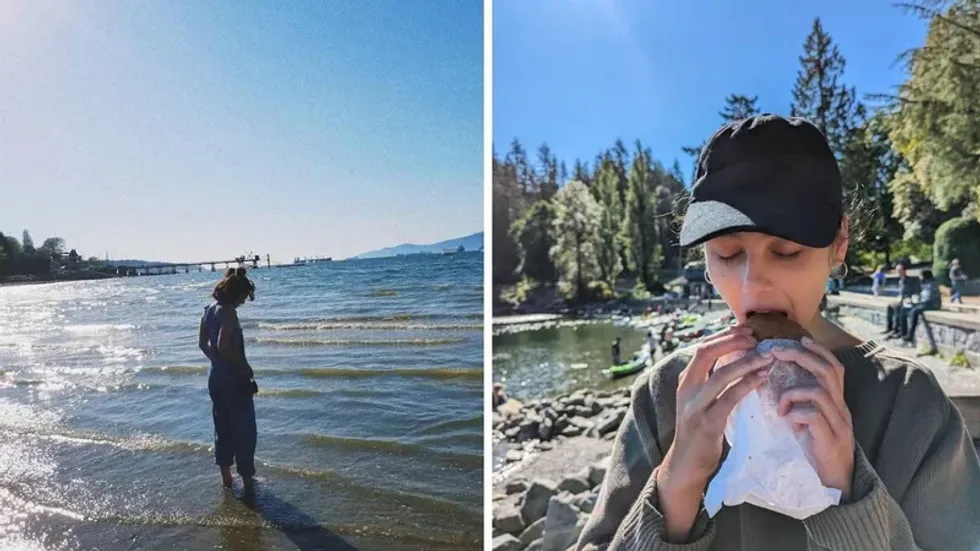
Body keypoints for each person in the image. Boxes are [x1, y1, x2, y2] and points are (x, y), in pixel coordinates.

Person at [576, 115, 980, 551]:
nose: (752, 285)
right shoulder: (667, 393)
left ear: (839, 242)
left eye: (787, 251)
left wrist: (849, 492)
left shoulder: (908, 402)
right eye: (727, 254)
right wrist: (677, 484)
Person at [199, 268, 258, 493]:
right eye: (243, 296)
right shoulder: (229, 313)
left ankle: (226, 477)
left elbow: (203, 344)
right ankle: (248, 480)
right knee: (244, 428)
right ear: (236, 293)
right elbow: (224, 345)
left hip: (215, 376)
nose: (244, 301)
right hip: (233, 378)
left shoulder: (208, 311)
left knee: (222, 426)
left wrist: (217, 361)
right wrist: (243, 366)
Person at [893, 269, 941, 350]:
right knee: (903, 310)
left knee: (914, 311)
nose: (920, 277)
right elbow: (922, 296)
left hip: (933, 304)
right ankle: (902, 333)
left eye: (921, 275)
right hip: (926, 303)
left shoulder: (932, 284)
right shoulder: (926, 283)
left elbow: (928, 298)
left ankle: (909, 336)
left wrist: (917, 303)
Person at [881, 262, 919, 336]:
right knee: (889, 306)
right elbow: (901, 294)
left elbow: (914, 293)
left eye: (900, 270)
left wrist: (905, 299)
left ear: (904, 271)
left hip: (909, 301)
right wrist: (898, 299)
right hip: (902, 300)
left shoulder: (910, 280)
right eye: (897, 270)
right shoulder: (900, 281)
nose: (898, 272)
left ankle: (897, 330)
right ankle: (889, 327)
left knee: (898, 308)